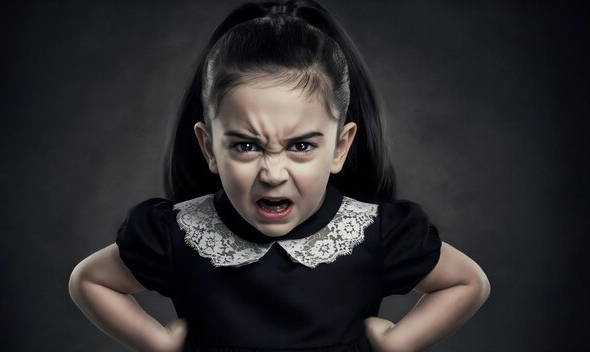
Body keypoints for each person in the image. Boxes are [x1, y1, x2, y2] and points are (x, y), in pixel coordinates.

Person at [68, 1, 490, 351]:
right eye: (246, 146)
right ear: (209, 147)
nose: (272, 174)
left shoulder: (375, 233)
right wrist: (158, 343)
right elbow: (89, 280)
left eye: (301, 146)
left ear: (340, 147)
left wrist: (398, 342)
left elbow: (468, 282)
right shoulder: (177, 233)